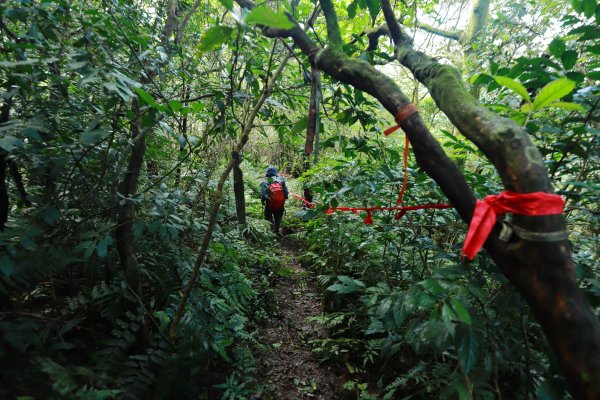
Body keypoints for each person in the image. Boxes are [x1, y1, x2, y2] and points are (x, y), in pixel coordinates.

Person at [260, 166, 289, 236]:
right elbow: (286, 194)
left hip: (269, 205)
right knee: (278, 218)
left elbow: (263, 195)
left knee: (268, 217)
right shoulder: (281, 180)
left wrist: (263, 201)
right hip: (280, 205)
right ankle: (277, 231)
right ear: (275, 173)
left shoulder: (265, 182)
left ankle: (271, 231)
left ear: (267, 174)